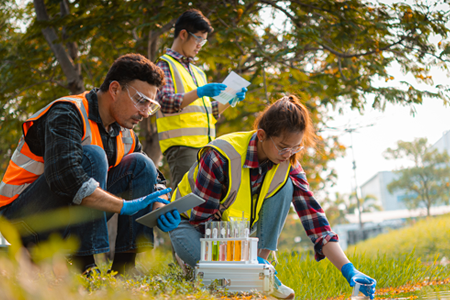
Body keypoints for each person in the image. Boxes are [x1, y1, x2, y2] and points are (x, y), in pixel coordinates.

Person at [168, 95, 377, 299]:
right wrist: (245, 263)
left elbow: (315, 220)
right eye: (283, 147)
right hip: (191, 226)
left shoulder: (288, 165)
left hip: (236, 234)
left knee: (287, 186)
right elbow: (202, 221)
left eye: (296, 147)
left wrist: (349, 270)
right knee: (228, 280)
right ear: (261, 135)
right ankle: (241, 273)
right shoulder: (220, 156)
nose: (288, 154)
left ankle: (259, 267)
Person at [0, 53, 181, 275]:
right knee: (93, 156)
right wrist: (124, 206)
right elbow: (65, 179)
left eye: (150, 105)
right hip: (21, 224)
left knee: (142, 164)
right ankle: (84, 267)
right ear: (115, 89)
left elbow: (155, 177)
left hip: (65, 222)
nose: (144, 113)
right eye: (141, 101)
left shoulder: (124, 132)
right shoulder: (67, 113)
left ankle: (126, 270)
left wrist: (160, 205)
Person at [155, 9, 247, 188]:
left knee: (205, 200)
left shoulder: (198, 72)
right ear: (183, 34)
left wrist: (230, 98)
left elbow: (209, 112)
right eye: (198, 39)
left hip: (207, 148)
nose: (200, 45)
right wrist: (200, 91)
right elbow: (164, 102)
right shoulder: (164, 65)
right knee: (186, 199)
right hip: (182, 148)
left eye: (203, 41)